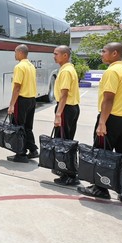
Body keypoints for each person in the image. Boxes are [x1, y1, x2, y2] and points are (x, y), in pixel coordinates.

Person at [78, 42, 122, 200]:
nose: (101, 54)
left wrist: (102, 122)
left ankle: (100, 188)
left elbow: (109, 98)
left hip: (112, 119)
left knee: (102, 154)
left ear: (114, 53)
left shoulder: (112, 71)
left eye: (104, 51)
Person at [52, 46, 81, 185]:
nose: (54, 56)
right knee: (66, 140)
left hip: (66, 109)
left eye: (56, 54)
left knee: (64, 142)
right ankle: (66, 170)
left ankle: (70, 174)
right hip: (70, 108)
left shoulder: (66, 71)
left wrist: (58, 114)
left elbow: (64, 94)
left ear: (65, 55)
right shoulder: (68, 69)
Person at [7, 44, 37, 163]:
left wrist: (11, 105)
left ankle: (21, 154)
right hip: (31, 99)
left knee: (18, 127)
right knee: (28, 127)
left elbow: (17, 87)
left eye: (15, 52)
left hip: (22, 100)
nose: (14, 54)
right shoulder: (31, 65)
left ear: (20, 53)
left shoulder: (19, 66)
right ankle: (33, 150)